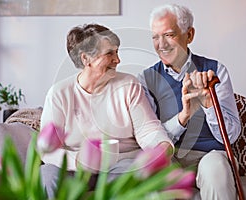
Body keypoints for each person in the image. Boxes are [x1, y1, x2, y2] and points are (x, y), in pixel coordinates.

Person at [40, 23, 174, 198]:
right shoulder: (59, 94)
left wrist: (162, 146)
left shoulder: (128, 85)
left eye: (117, 52)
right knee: (47, 175)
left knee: (127, 174)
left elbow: (147, 129)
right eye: (110, 53)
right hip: (77, 168)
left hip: (121, 164)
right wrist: (81, 162)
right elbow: (48, 149)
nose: (118, 60)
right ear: (86, 58)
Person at [138, 4, 241, 200]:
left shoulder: (216, 71)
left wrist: (209, 103)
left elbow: (232, 136)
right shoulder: (146, 79)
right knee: (153, 171)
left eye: (169, 35)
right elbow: (151, 139)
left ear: (189, 35)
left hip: (211, 154)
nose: (161, 44)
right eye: (155, 36)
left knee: (215, 170)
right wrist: (184, 116)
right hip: (172, 155)